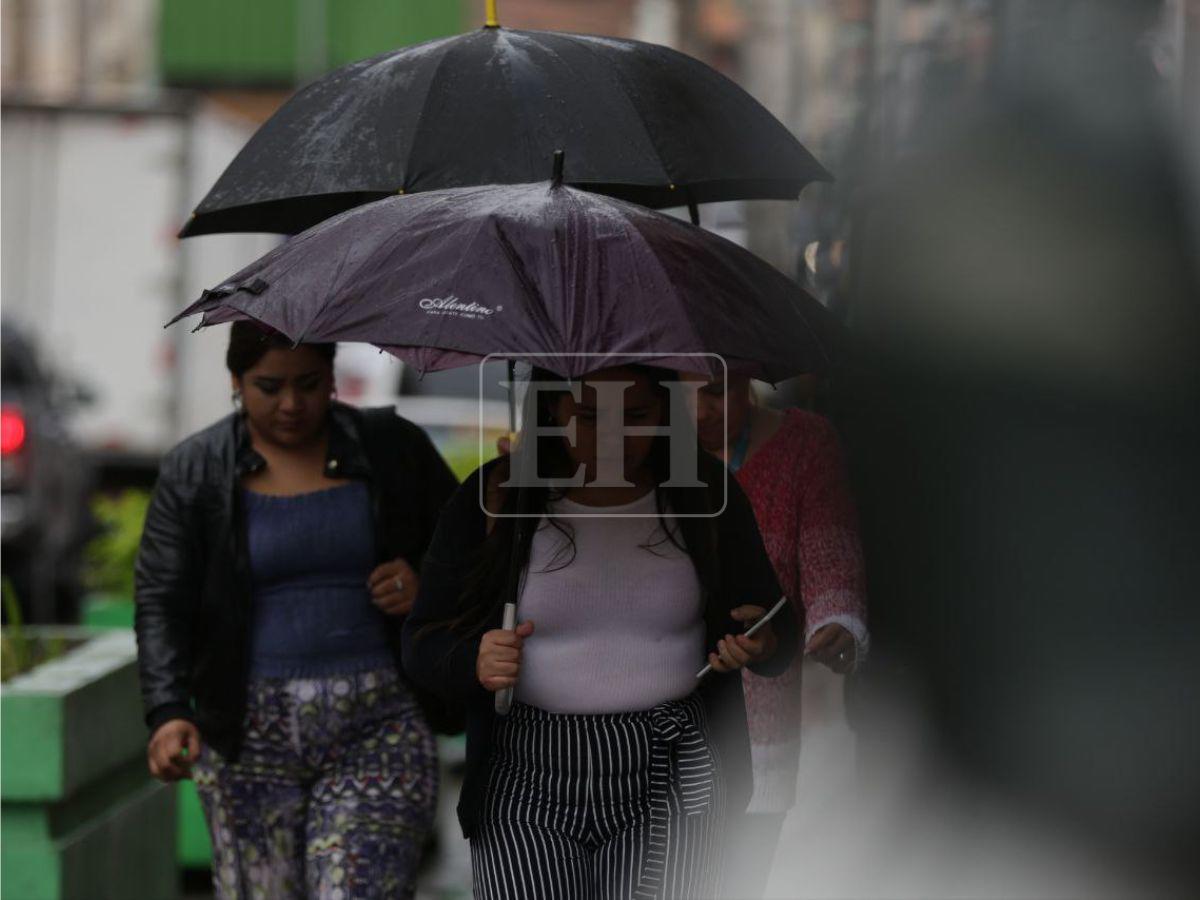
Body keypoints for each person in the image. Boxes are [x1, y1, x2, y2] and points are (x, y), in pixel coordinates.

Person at [402, 364, 798, 899]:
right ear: (549, 408)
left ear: (665, 410)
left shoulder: (704, 494)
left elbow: (776, 624)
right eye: (588, 417)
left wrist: (762, 641)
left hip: (673, 776)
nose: (614, 437)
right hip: (524, 783)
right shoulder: (497, 495)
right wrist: (473, 659)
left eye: (636, 416)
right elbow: (423, 641)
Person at [134, 322, 459, 900]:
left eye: (309, 383)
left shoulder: (391, 447)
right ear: (235, 382)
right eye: (268, 386)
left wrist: (424, 585)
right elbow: (162, 596)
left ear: (332, 377)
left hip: (378, 726)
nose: (291, 403)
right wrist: (166, 709)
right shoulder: (196, 468)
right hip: (245, 738)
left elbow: (468, 551)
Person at [683, 371, 868, 898]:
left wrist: (839, 620)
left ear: (747, 380)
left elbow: (830, 545)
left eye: (718, 391)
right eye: (683, 392)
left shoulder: (805, 443)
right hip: (653, 735)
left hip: (757, 734)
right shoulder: (636, 450)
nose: (701, 411)